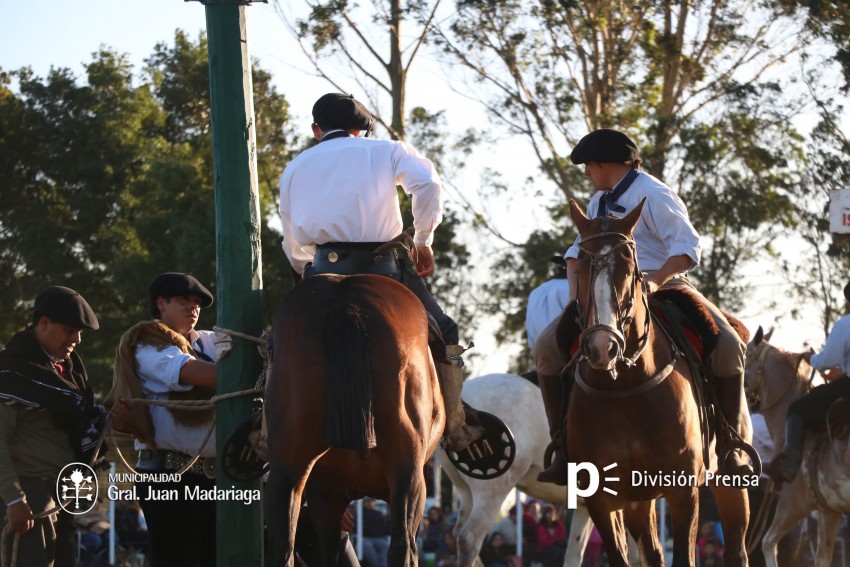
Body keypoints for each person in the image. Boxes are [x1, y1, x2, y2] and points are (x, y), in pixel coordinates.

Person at [532, 128, 752, 484]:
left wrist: (656, 279)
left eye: (589, 165)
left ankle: (731, 444)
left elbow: (687, 247)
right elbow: (575, 254)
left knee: (727, 343)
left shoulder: (655, 194)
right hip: (609, 294)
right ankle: (562, 449)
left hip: (665, 286)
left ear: (607, 163)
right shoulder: (597, 201)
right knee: (545, 346)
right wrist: (575, 300)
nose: (586, 173)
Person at [278, 92, 481, 452]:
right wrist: (423, 240)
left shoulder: (296, 166)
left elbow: (291, 237)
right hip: (383, 271)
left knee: (276, 342)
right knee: (445, 330)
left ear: (315, 130)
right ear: (361, 130)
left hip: (322, 270)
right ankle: (455, 426)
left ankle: (267, 432)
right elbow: (428, 184)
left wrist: (302, 270)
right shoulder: (386, 150)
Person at [110, 272, 218, 566]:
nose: (193, 307)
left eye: (197, 303)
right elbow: (189, 372)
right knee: (175, 559)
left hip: (211, 477)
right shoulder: (147, 341)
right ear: (161, 303)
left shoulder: (208, 341)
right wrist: (243, 373)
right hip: (167, 476)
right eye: (184, 300)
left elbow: (258, 349)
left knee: (212, 559)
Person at [0, 286, 104, 567]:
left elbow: (80, 421)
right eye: (70, 330)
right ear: (44, 322)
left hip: (62, 492)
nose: (77, 339)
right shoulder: (13, 373)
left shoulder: (70, 371)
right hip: (31, 495)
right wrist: (13, 499)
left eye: (79, 332)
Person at [765, 281, 850, 484]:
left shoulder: (845, 324)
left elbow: (825, 362)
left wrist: (810, 358)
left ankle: (788, 466)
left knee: (797, 409)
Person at [525, 255, 571, 350]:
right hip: (571, 353)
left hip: (540, 355)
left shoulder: (535, 292)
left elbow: (530, 336)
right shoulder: (573, 289)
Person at [359, 498, 390, 567]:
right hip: (365, 538)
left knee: (385, 546)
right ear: (364, 503)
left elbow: (386, 528)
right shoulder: (359, 514)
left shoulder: (379, 514)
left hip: (379, 538)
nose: (370, 503)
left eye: (372, 501)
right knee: (367, 546)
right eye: (368, 502)